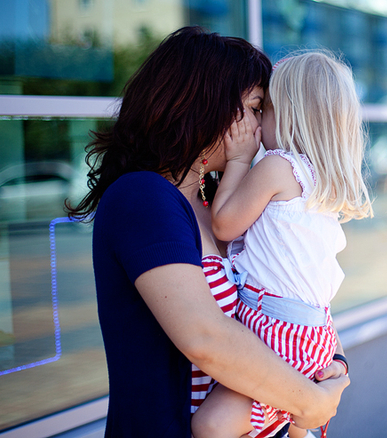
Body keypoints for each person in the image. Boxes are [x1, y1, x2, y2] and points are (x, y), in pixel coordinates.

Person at [67, 28, 349, 438]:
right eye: (255, 108)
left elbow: (299, 286)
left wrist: (333, 363)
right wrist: (309, 401)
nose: (259, 125)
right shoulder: (142, 197)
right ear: (205, 105)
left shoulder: (216, 199)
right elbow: (206, 337)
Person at [191, 51, 373, 438]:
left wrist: (239, 159)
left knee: (210, 425)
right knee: (279, 419)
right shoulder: (320, 181)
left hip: (277, 332)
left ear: (287, 115)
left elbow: (223, 225)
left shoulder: (278, 166)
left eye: (264, 109)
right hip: (311, 335)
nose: (257, 122)